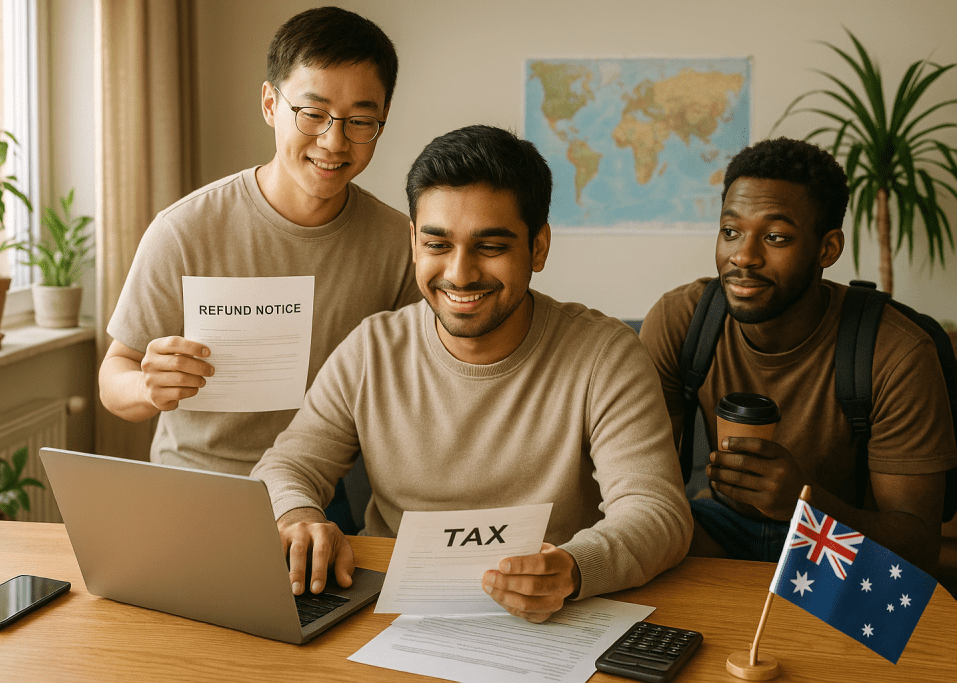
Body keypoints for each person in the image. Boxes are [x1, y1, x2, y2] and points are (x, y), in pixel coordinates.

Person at [251, 125, 692, 623]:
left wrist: (572, 567)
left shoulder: (606, 355)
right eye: (437, 244)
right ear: (414, 243)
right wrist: (298, 515)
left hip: (553, 617)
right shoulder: (371, 348)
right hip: (393, 611)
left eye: (491, 247)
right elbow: (286, 465)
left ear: (539, 247)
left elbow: (656, 512)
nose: (460, 273)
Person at [99, 7, 419, 481]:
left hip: (325, 489)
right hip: (197, 480)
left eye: (359, 122)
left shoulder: (398, 242)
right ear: (271, 104)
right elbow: (114, 377)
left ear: (382, 121)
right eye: (313, 114)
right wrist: (148, 385)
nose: (334, 142)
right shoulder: (184, 230)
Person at [639, 137, 957, 569]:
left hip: (845, 546)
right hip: (721, 527)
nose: (743, 257)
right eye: (730, 232)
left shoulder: (896, 351)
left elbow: (918, 546)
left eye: (775, 237)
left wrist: (804, 502)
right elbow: (642, 489)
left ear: (827, 248)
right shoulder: (683, 320)